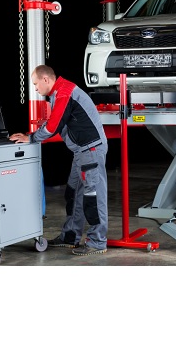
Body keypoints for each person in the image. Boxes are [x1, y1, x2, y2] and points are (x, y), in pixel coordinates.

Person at [9, 64, 108, 256]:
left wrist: (31, 138)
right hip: (81, 151)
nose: (35, 88)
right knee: (73, 193)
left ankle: (97, 242)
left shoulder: (64, 92)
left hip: (91, 150)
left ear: (46, 79)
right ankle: (70, 237)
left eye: (36, 84)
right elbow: (56, 123)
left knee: (93, 197)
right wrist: (30, 135)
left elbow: (53, 126)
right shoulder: (58, 93)